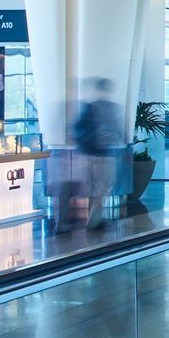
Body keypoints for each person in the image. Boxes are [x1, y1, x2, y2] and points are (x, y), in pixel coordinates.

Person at [72, 78, 124, 227]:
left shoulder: (90, 107)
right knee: (103, 187)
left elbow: (77, 127)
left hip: (88, 154)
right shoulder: (112, 107)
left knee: (93, 187)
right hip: (104, 154)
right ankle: (94, 220)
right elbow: (118, 130)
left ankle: (93, 217)